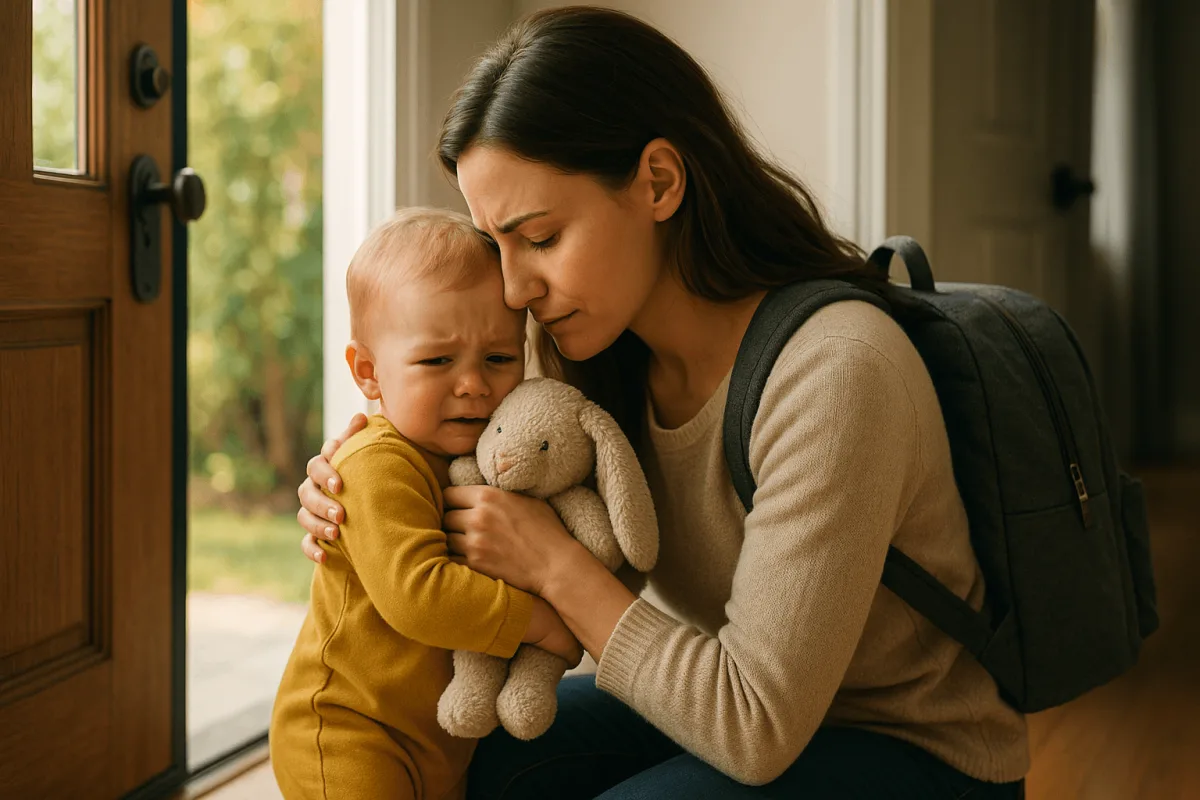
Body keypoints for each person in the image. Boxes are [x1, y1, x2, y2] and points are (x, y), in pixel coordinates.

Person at [295, 7, 1028, 798]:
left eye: (539, 238)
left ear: (659, 182)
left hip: (908, 743)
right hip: (732, 698)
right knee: (480, 763)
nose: (513, 288)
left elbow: (754, 728)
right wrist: (368, 476)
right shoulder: (584, 346)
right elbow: (473, 464)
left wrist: (553, 561)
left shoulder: (834, 371)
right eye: (496, 244)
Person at [271, 207, 581, 800]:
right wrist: (537, 624)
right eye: (438, 361)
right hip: (349, 729)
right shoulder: (377, 463)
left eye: (499, 359)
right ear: (369, 372)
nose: (474, 384)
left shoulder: (492, 463)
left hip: (436, 736)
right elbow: (418, 595)